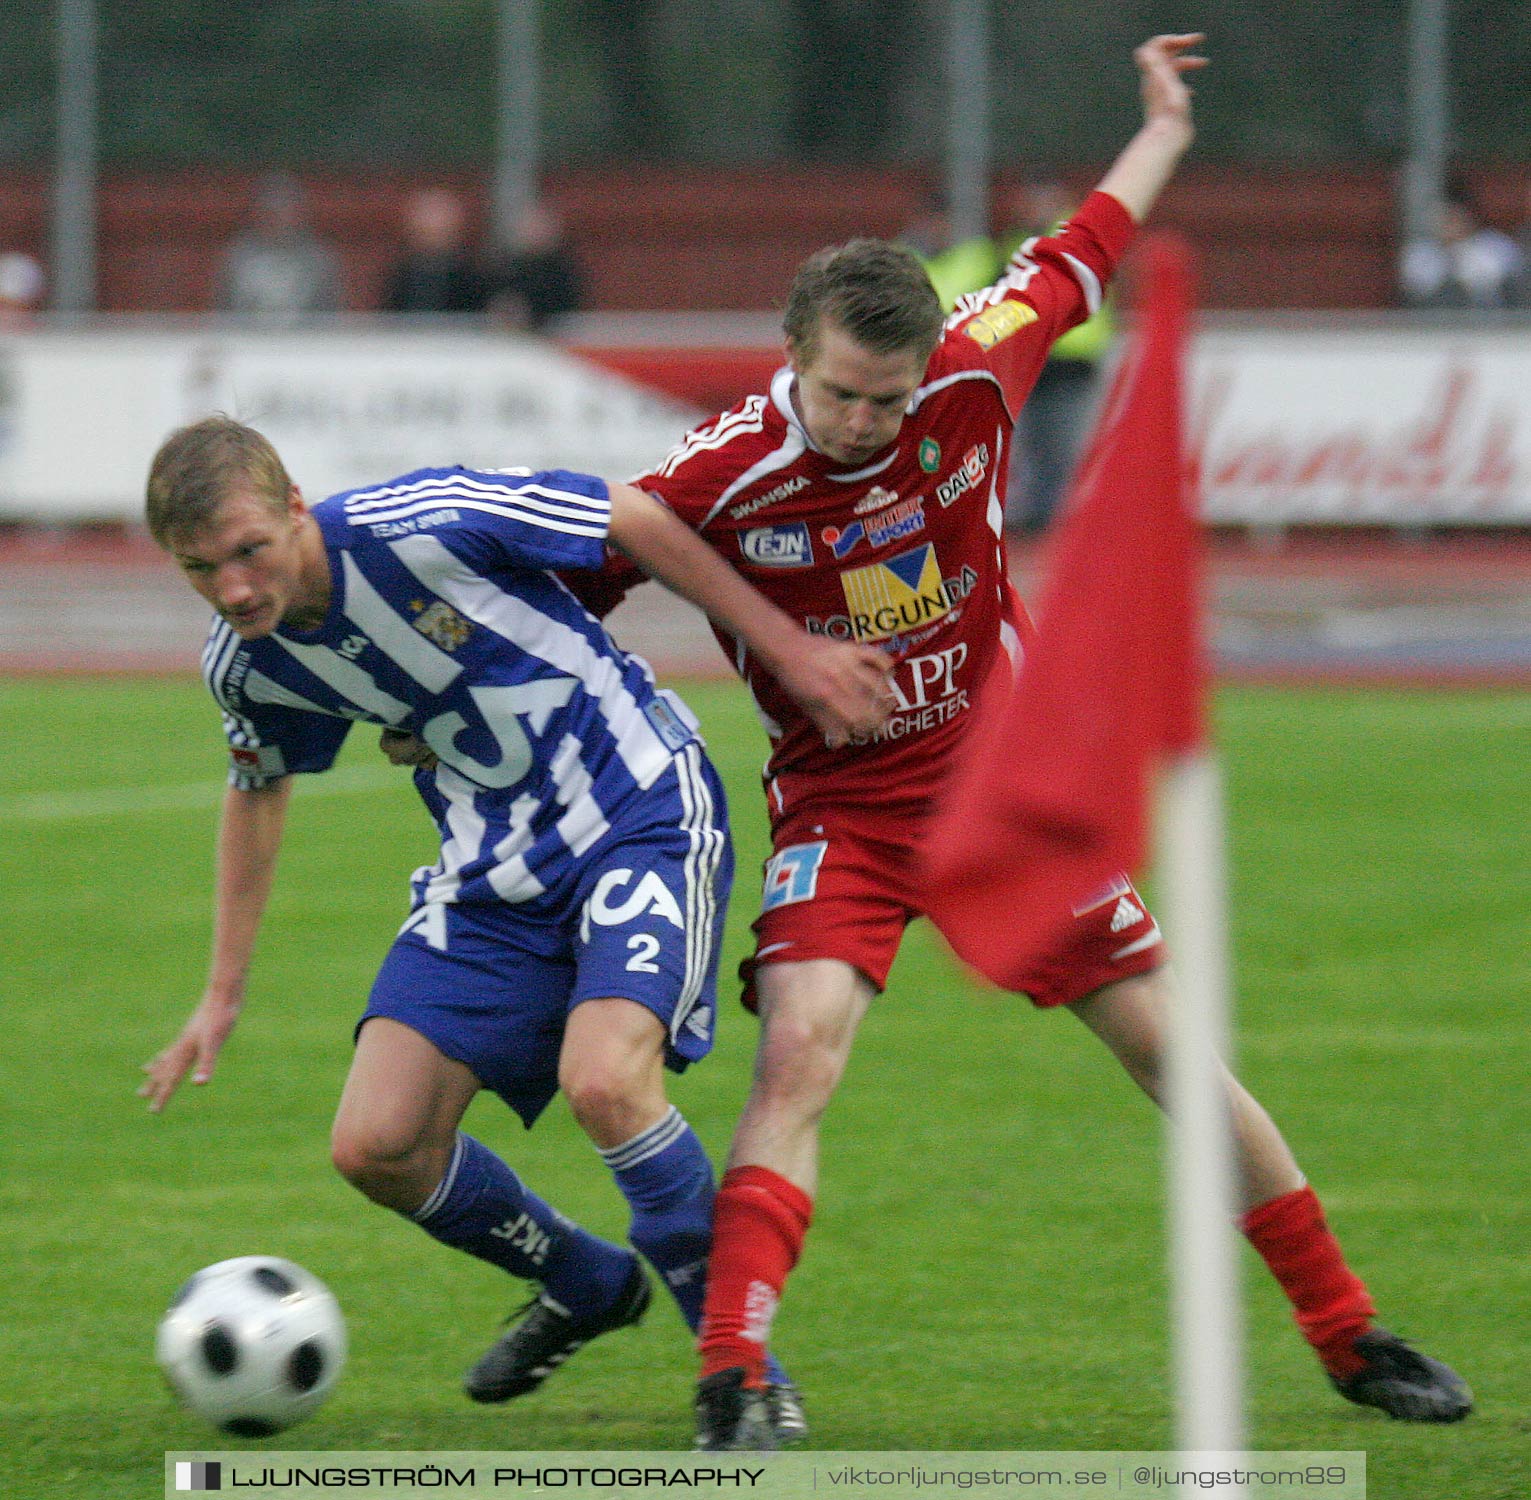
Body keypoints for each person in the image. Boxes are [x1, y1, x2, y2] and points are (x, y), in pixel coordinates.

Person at [564, 35, 1472, 1447]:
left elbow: (1089, 239)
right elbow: (601, 541)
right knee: (797, 1056)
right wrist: (781, 644)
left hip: (1006, 791)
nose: (865, 424)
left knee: (1169, 1050)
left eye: (886, 396)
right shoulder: (727, 468)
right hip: (842, 813)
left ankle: (1345, 1331)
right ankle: (732, 1376)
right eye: (838, 396)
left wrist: (1162, 123)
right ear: (788, 358)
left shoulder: (976, 372)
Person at [138, 416, 893, 1432]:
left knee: (605, 1081)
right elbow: (258, 786)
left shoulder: (423, 522)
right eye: (201, 570)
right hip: (491, 871)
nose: (234, 587)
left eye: (248, 551)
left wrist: (790, 649)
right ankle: (588, 1283)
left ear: (295, 511)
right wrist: (221, 992)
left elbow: (630, 513)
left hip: (636, 813)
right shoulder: (247, 663)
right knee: (377, 1145)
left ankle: (742, 1378)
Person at [995, 181, 1117, 532]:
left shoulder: (1072, 235)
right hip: (1036, 357)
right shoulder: (1018, 240)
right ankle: (1047, 518)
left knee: (1063, 446)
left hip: (1072, 359)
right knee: (1035, 444)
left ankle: (1062, 521)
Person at [215, 173, 343, 324]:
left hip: (305, 343)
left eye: (285, 210)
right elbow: (223, 311)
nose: (277, 219)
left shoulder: (319, 261)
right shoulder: (237, 258)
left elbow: (329, 315)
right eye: (270, 212)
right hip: (248, 341)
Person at [1398, 181, 1523, 311]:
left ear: (1468, 217)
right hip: (1433, 320)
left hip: (1487, 317)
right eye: (1444, 219)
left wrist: (1460, 253)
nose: (1449, 225)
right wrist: (1446, 253)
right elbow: (1417, 286)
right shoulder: (1420, 251)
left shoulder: (1495, 245)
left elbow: (1494, 281)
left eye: (1454, 218)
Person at [381, 187, 490, 315]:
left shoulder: (473, 278)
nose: (432, 234)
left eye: (440, 230)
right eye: (425, 230)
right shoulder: (401, 275)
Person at [488, 201, 585, 333]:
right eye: (529, 226)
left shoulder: (564, 272)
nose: (533, 232)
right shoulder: (505, 268)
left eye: (538, 227)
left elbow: (568, 307)